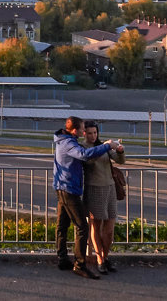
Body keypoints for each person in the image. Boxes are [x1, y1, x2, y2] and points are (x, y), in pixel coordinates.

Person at [53, 115, 117, 279]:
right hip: (69, 189)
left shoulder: (64, 140)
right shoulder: (68, 143)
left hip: (63, 186)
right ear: (74, 130)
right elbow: (83, 155)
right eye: (82, 128)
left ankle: (62, 259)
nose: (84, 131)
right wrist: (106, 146)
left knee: (62, 224)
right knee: (82, 227)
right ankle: (79, 265)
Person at [83, 120, 125, 274]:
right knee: (95, 224)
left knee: (109, 227)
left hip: (110, 188)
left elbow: (120, 160)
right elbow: (89, 160)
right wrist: (105, 146)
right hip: (94, 188)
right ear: (84, 133)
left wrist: (119, 150)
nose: (93, 136)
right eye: (90, 133)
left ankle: (105, 257)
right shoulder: (84, 148)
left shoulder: (103, 146)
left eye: (95, 133)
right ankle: (100, 259)